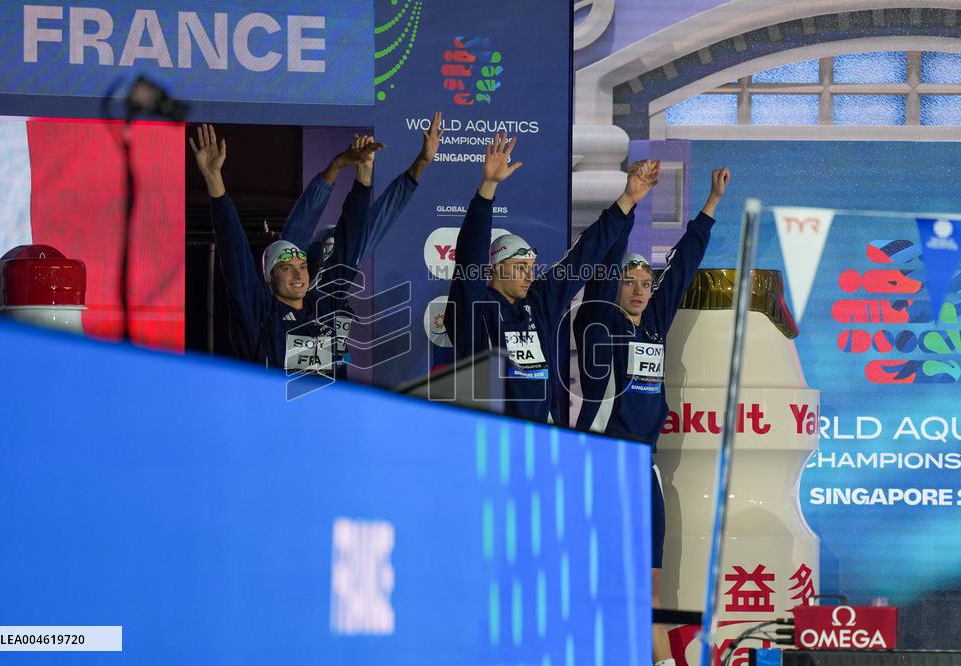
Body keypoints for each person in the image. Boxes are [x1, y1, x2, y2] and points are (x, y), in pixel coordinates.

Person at [574, 166, 730, 666]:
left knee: (653, 588)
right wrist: (631, 199)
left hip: (645, 468)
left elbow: (683, 267)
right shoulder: (600, 325)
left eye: (646, 283)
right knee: (605, 581)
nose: (640, 291)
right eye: (631, 282)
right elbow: (601, 267)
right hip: (604, 467)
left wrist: (709, 204)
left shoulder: (655, 327)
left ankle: (661, 660)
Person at [189, 121, 441, 374]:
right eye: (287, 268)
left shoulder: (327, 304)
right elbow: (235, 253)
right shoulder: (259, 315)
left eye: (301, 266)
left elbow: (354, 237)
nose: (299, 274)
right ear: (269, 277)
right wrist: (214, 182)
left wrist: (368, 173)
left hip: (333, 413)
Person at [445, 132, 659, 423]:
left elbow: (584, 254)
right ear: (494, 267)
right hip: (494, 445)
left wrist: (627, 201)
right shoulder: (474, 308)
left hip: (543, 443)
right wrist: (488, 188)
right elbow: (468, 256)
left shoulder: (539, 302)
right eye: (520, 267)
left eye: (531, 267)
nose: (529, 275)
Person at [279, 113, 444, 375]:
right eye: (335, 246)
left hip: (334, 394)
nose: (343, 249)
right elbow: (303, 220)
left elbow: (384, 214)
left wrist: (420, 162)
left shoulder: (341, 280)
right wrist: (336, 167)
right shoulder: (292, 280)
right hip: (290, 390)